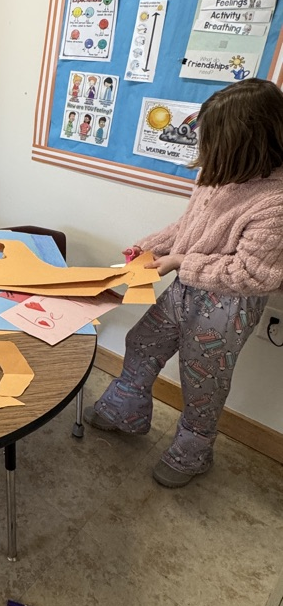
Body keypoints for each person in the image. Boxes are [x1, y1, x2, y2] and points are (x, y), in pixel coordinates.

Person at [84, 79, 283, 487]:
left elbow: (253, 274)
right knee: (142, 342)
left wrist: (177, 261)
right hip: (188, 286)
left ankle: (192, 452)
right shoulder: (220, 174)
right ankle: (127, 409)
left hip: (229, 305)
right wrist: (150, 247)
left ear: (247, 145)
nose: (204, 154)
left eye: (213, 144)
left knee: (202, 379)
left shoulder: (275, 202)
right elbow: (190, 226)